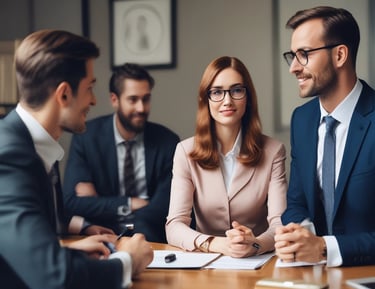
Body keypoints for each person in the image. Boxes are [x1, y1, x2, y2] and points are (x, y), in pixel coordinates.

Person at [0, 29, 153, 289]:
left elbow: (26, 260)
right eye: (90, 88)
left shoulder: (33, 146)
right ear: (63, 94)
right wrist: (129, 261)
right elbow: (52, 276)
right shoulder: (10, 156)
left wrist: (70, 255)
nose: (94, 100)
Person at [274, 6, 375, 267]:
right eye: (292, 56)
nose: (293, 68)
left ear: (340, 55)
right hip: (312, 276)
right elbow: (296, 202)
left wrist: (323, 247)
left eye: (304, 54)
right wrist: (302, 236)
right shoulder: (302, 120)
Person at [165, 56, 287, 257]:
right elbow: (174, 226)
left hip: (258, 263)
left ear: (248, 98)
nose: (227, 100)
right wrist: (216, 244)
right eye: (217, 92)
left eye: (237, 90)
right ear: (206, 99)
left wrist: (255, 244)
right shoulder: (185, 152)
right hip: (206, 262)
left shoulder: (273, 151)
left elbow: (279, 224)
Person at [63, 63, 180, 243]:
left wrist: (100, 205)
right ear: (114, 100)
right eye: (133, 99)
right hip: (99, 238)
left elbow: (163, 207)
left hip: (152, 240)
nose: (141, 108)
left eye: (146, 99)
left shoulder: (168, 142)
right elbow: (71, 203)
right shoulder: (86, 137)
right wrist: (128, 204)